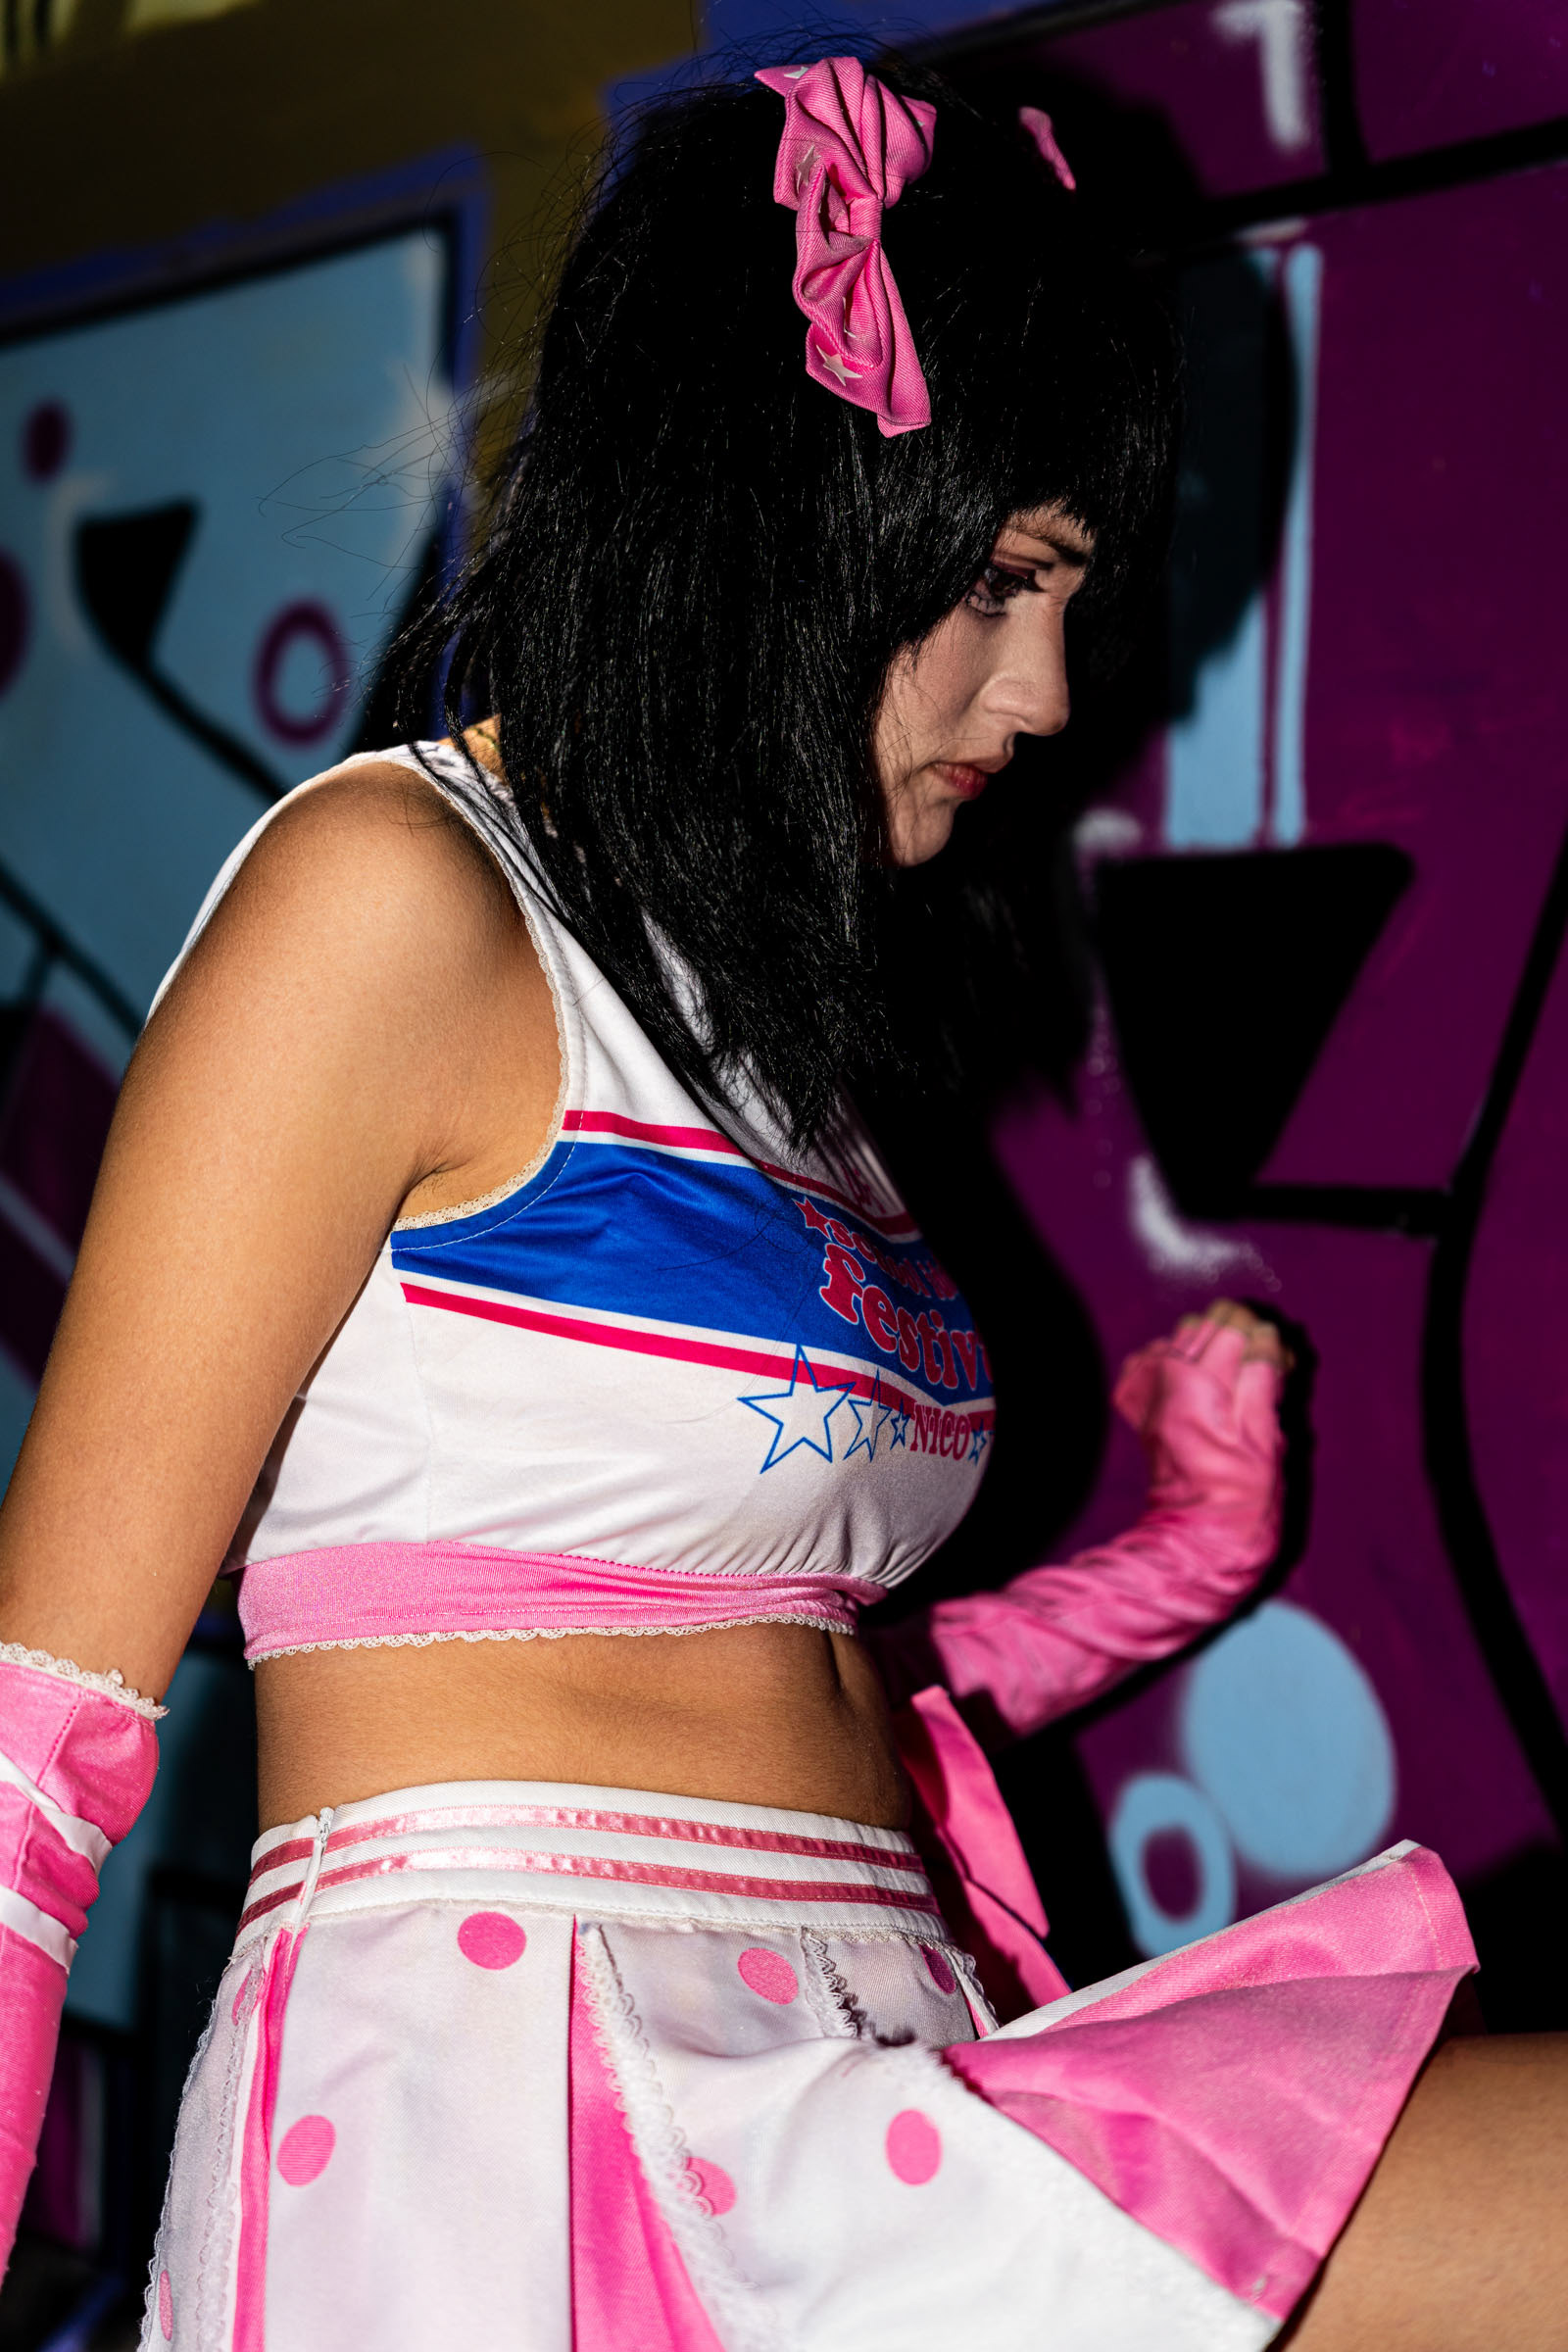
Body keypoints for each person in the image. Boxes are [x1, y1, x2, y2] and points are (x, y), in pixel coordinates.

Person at [0, 55, 1562, 2352]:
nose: (1040, 693)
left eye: (1070, 598)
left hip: (861, 2059)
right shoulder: (393, 899)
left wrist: (1159, 1569)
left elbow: (753, 1645)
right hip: (528, 2131)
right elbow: (37, 1729)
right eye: (1001, 585)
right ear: (780, 519)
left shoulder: (757, 1019)